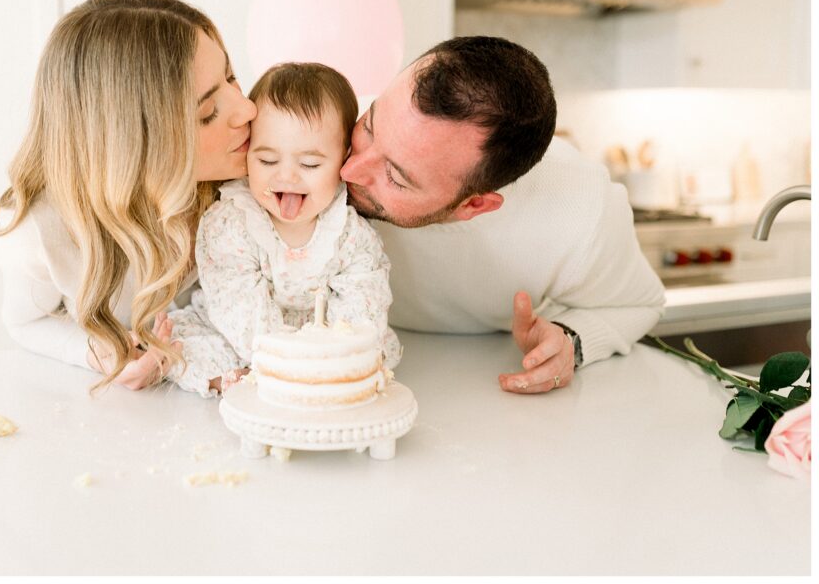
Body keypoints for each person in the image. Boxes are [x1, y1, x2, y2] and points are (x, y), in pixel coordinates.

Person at [339, 36, 665, 395]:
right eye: (369, 127)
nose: (348, 170)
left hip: (485, 387)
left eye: (396, 177)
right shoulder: (324, 128)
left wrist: (571, 339)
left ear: (474, 205)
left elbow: (639, 304)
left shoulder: (581, 207)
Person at [0, 0, 256, 392]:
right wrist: (98, 353)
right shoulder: (38, 231)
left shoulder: (249, 177)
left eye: (231, 78)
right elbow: (26, 322)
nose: (247, 109)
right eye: (207, 113)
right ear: (135, 145)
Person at [165, 62, 401, 397]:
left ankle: (306, 379)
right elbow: (236, 304)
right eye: (267, 161)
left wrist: (329, 355)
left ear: (343, 160)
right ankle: (234, 379)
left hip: (320, 337)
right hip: (238, 331)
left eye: (310, 164)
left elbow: (363, 303)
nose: (286, 176)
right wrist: (282, 361)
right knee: (186, 345)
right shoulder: (231, 222)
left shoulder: (350, 235)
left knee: (375, 348)